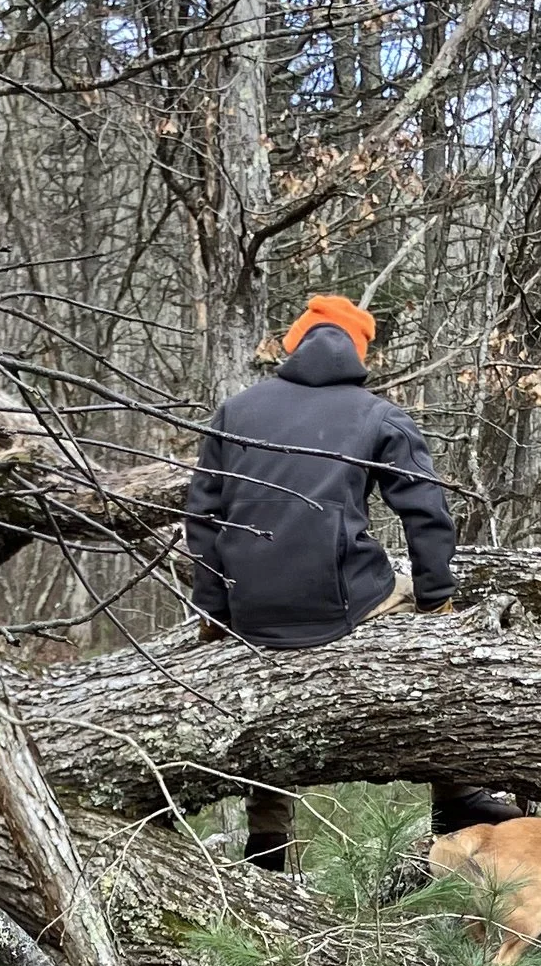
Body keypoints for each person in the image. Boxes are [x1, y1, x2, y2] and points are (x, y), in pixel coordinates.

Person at [185, 292, 516, 869]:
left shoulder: (234, 412)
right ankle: (457, 795)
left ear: (295, 344)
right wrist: (436, 597)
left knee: (273, 696)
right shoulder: (378, 415)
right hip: (340, 607)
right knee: (441, 644)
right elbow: (426, 513)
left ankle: (268, 837)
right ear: (360, 353)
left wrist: (215, 611)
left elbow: (202, 517)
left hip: (250, 611)